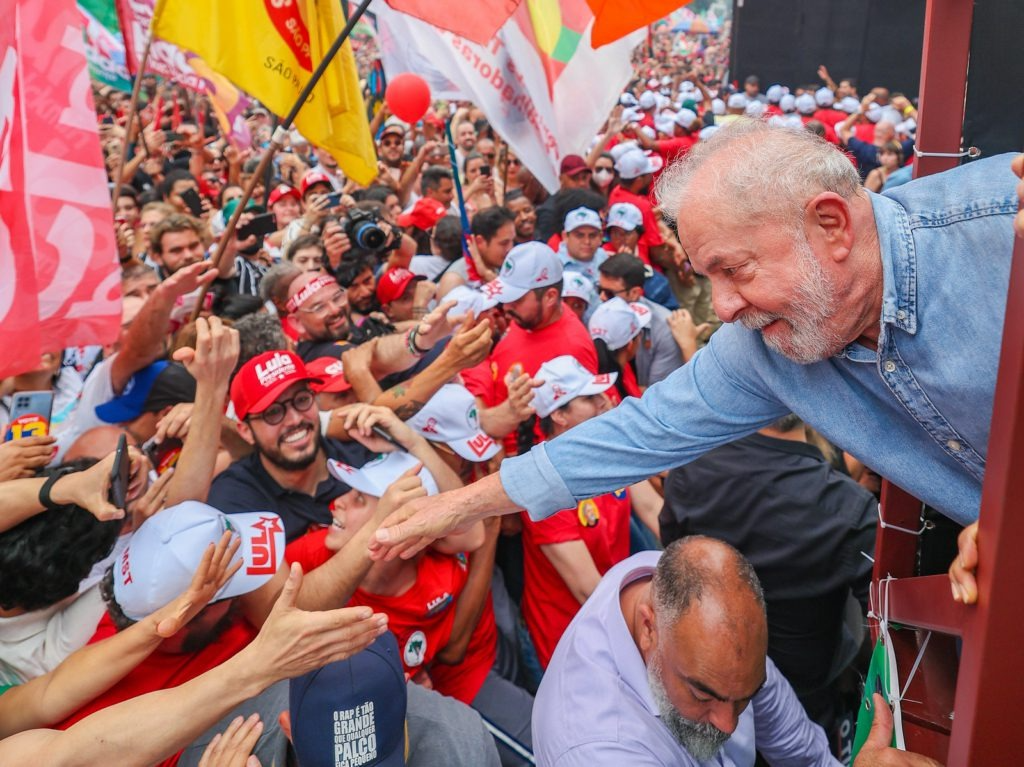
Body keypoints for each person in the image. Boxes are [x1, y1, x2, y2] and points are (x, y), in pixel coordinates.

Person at [367, 123, 1017, 611]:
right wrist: (455, 505)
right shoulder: (763, 347)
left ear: (831, 225)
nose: (725, 307)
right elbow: (632, 436)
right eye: (709, 278)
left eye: (735, 271)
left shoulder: (1001, 228)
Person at [532, 537, 932, 766]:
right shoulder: (595, 750)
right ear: (649, 630)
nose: (728, 724)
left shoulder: (671, 589)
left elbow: (794, 737)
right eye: (703, 694)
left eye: (745, 698)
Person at [660, 414, 876, 732]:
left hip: (706, 698)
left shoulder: (691, 468)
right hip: (808, 708)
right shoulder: (849, 509)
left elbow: (672, 570)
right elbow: (892, 630)